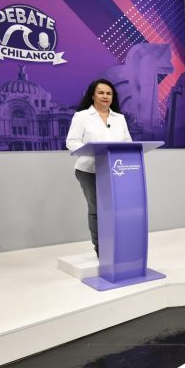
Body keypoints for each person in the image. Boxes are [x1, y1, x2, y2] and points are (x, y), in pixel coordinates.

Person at [66, 79, 132, 257]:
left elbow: (128, 142)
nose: (105, 96)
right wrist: (91, 152)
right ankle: (101, 248)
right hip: (89, 170)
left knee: (115, 208)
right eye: (101, 92)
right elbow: (71, 141)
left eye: (109, 93)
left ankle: (116, 243)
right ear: (93, 95)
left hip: (115, 170)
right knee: (97, 209)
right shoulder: (82, 116)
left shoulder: (120, 118)